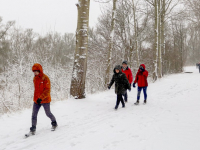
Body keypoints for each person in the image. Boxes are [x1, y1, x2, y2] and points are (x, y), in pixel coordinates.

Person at [30, 63, 57, 134]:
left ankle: (54, 123)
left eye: (36, 71)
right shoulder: (35, 79)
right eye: (34, 71)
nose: (35, 72)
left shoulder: (45, 78)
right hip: (36, 100)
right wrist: (36, 98)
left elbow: (47, 90)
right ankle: (33, 129)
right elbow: (36, 90)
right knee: (34, 115)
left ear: (40, 70)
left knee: (48, 113)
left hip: (45, 100)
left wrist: (41, 98)